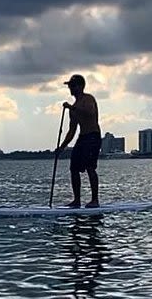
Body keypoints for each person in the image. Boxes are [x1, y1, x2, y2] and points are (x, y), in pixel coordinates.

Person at [56, 74, 102, 208]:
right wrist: (62, 147)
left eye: (72, 85)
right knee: (74, 167)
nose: (70, 88)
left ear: (80, 86)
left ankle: (95, 200)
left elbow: (89, 113)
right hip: (82, 138)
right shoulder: (74, 107)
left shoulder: (88, 99)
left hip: (93, 136)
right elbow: (72, 131)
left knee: (90, 167)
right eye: (69, 86)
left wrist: (72, 108)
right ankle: (76, 200)